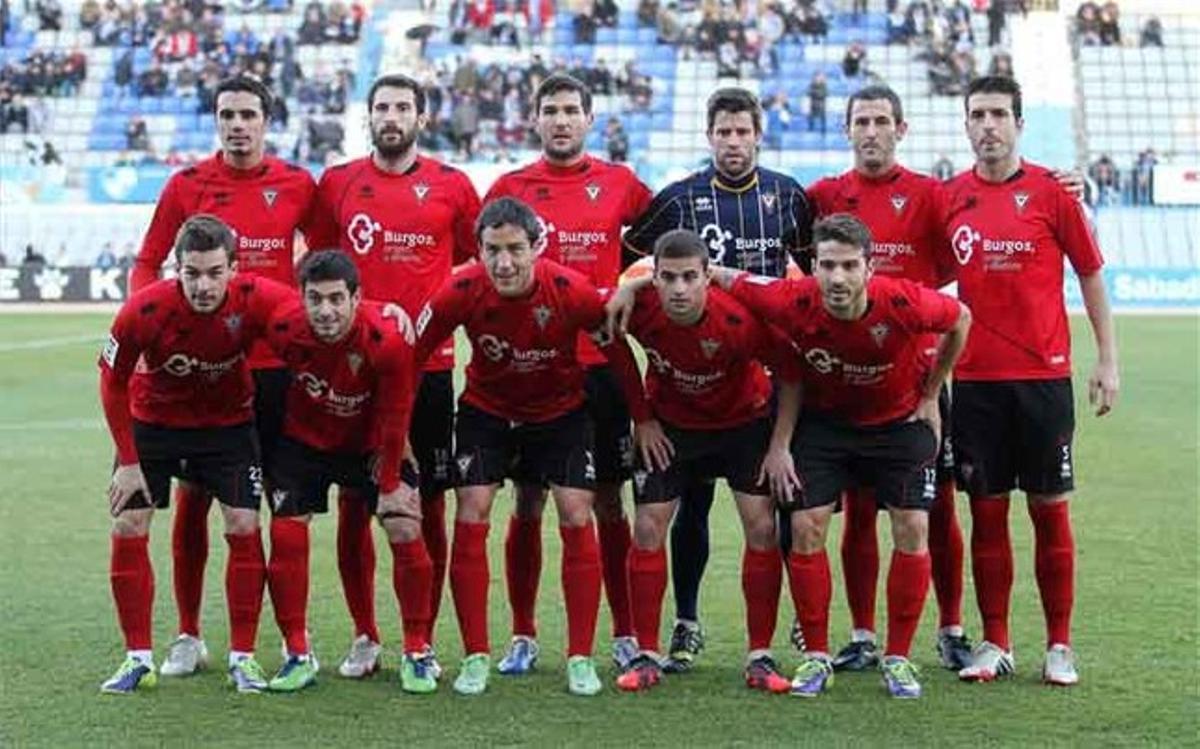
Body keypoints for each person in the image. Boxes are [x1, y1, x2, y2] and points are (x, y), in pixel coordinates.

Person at [719, 213, 972, 699]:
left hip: (898, 425)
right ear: (812, 266)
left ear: (869, 267)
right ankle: (816, 657)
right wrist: (634, 285)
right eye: (828, 265)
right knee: (806, 526)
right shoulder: (790, 299)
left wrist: (932, 392)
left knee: (914, 528)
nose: (838, 278)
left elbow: (960, 319)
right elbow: (724, 276)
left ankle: (897, 659)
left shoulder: (902, 301)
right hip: (827, 427)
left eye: (849, 266)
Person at [413, 196, 647, 697]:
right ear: (476, 250)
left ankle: (580, 658)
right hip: (487, 412)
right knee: (472, 508)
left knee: (575, 513)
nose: (504, 262)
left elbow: (618, 353)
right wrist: (391, 429)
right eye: (492, 250)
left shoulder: (570, 290)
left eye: (516, 249)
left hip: (560, 414)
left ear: (537, 245)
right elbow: (413, 354)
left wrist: (643, 419)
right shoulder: (461, 289)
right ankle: (479, 653)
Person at [130, 75, 317, 679]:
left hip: (279, 373)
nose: (238, 125)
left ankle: (292, 640)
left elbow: (327, 258)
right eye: (227, 115)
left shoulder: (296, 185)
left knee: (281, 506)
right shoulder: (187, 185)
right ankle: (188, 634)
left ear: (267, 121)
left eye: (249, 115)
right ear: (216, 120)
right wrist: (146, 337)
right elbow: (145, 261)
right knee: (193, 502)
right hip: (209, 372)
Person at [623, 86, 814, 673]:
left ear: (759, 133)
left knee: (779, 510)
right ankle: (684, 622)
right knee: (689, 508)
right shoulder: (678, 199)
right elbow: (630, 262)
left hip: (759, 375)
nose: (733, 142)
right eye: (723, 132)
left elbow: (806, 276)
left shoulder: (788, 197)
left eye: (742, 131)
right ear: (709, 136)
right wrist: (630, 289)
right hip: (684, 373)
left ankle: (792, 632)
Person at [307, 73, 481, 679]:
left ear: (421, 118)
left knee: (425, 503)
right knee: (356, 504)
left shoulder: (453, 187)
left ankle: (421, 640)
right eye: (381, 107)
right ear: (368, 116)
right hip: (352, 370)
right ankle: (364, 634)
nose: (391, 116)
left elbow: (472, 265)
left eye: (403, 107)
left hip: (428, 371)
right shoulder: (338, 184)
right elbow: (322, 265)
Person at [946, 75, 1118, 686]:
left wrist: (1107, 358)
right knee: (987, 517)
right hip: (974, 384)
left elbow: (1092, 274)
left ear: (1019, 123)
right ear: (965, 125)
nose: (988, 125)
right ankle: (996, 643)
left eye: (998, 114)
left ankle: (1060, 645)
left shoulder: (1053, 193)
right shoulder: (951, 198)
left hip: (1043, 381)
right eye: (977, 115)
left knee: (1050, 511)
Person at [482, 73, 654, 676]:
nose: (561, 120)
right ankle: (524, 635)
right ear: (535, 119)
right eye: (550, 110)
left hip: (600, 367)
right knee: (527, 501)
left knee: (606, 501)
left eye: (571, 111)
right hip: (531, 370)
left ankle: (626, 632)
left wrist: (628, 284)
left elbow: (658, 255)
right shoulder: (510, 188)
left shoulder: (622, 184)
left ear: (589, 119)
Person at [806, 85, 969, 672]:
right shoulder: (824, 195)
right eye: (861, 122)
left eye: (881, 121)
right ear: (846, 130)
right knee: (857, 507)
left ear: (902, 130)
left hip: (917, 386)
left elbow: (961, 254)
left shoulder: (929, 195)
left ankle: (950, 626)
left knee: (936, 509)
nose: (870, 131)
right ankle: (862, 634)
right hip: (848, 379)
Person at [98, 215, 296, 695]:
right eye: (192, 273)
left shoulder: (258, 297)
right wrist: (127, 460)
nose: (203, 285)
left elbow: (315, 315)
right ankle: (137, 657)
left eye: (213, 272)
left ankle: (243, 658)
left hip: (227, 429)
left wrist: (382, 310)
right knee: (128, 523)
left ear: (234, 268)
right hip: (154, 428)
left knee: (244, 526)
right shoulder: (142, 312)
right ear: (176, 269)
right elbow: (111, 379)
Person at [606, 230, 802, 694]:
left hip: (743, 423)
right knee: (648, 527)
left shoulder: (740, 317)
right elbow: (611, 343)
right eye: (668, 278)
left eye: (689, 277)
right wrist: (642, 418)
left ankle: (759, 655)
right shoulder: (638, 306)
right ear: (652, 278)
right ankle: (647, 654)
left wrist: (779, 447)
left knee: (762, 528)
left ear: (707, 277)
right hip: (671, 427)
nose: (678, 288)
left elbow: (792, 377)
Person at [261, 250, 433, 693]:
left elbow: (398, 412)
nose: (326, 310)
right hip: (304, 441)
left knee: (403, 524)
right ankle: (298, 652)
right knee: (285, 532)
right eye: (315, 299)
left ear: (357, 297)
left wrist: (392, 480)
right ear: (300, 298)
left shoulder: (386, 339)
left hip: (368, 444)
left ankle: (417, 650)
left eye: (337, 298)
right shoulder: (282, 326)